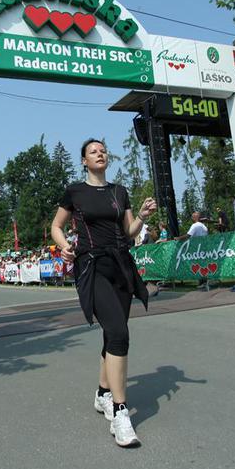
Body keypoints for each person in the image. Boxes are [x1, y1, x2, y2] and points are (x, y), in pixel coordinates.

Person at [50, 138, 155, 448]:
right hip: (92, 266)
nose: (100, 154)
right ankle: (121, 413)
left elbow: (129, 232)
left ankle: (102, 393)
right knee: (119, 332)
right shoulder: (75, 192)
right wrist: (65, 247)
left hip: (121, 265)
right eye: (93, 152)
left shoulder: (119, 192)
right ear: (84, 161)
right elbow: (56, 226)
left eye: (103, 150)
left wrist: (142, 216)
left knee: (112, 334)